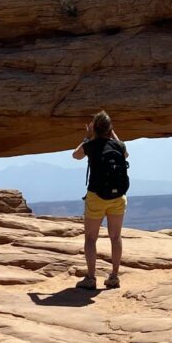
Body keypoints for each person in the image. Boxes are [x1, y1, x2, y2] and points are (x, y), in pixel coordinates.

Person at [72, 110, 129, 290]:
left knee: (90, 238)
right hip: (117, 197)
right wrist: (112, 132)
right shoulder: (118, 146)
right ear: (110, 129)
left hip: (96, 197)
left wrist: (88, 136)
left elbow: (76, 155)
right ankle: (114, 277)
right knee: (115, 236)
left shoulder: (92, 145)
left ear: (95, 128)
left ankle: (91, 278)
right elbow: (125, 154)